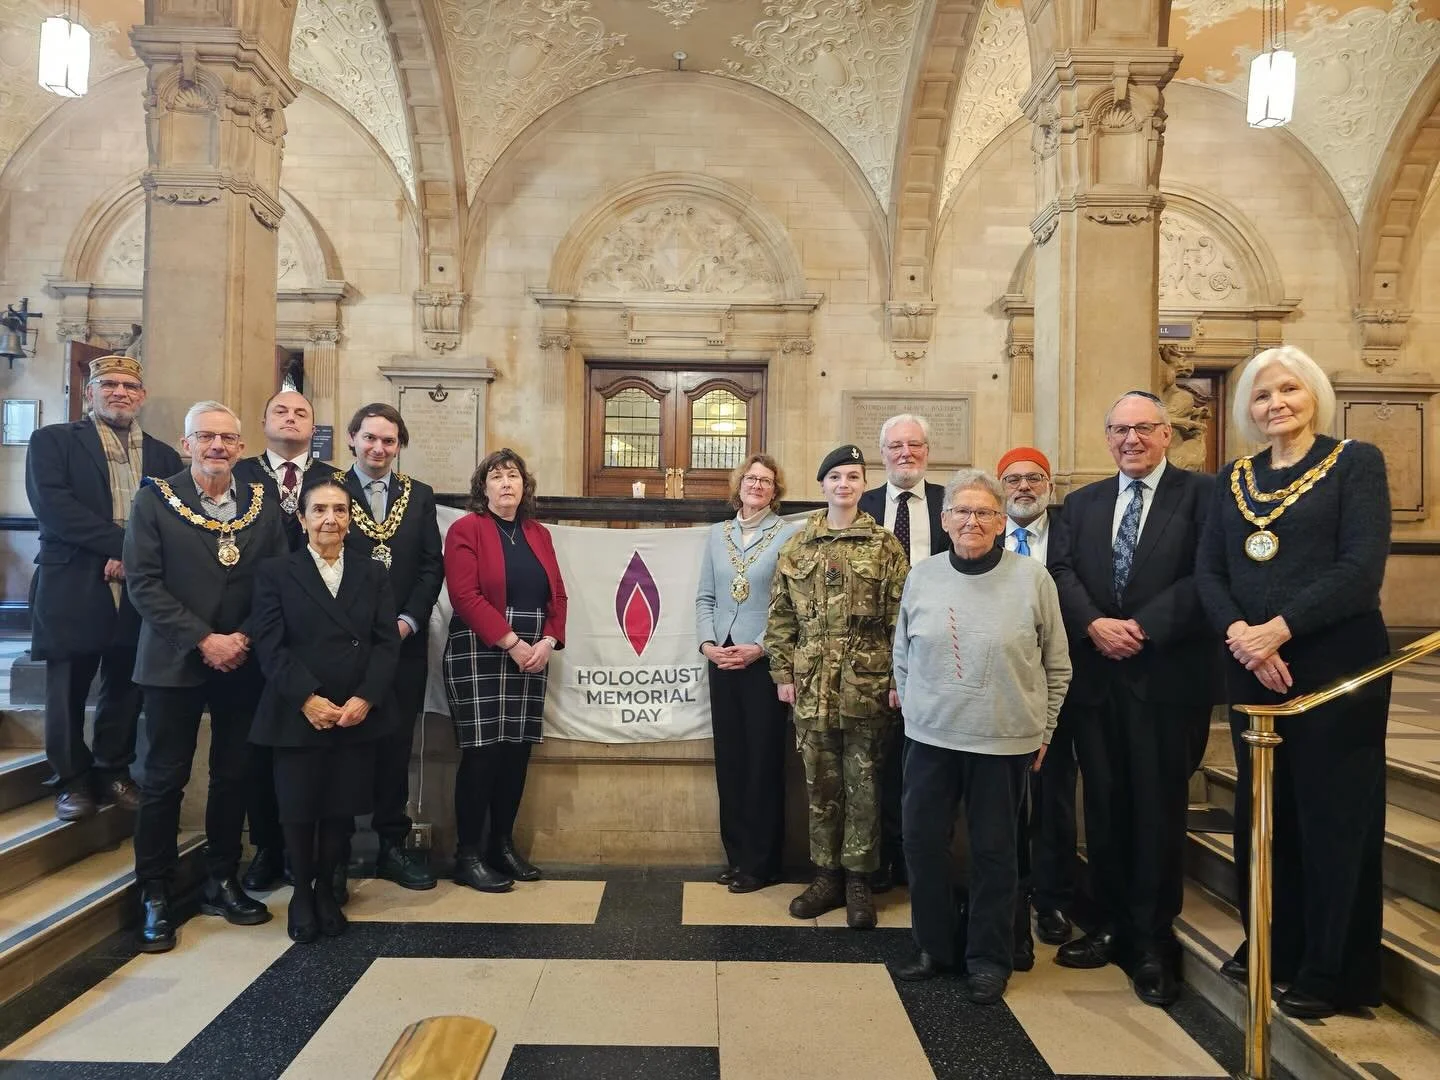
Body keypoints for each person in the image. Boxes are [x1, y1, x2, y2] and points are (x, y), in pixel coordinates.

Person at [1196, 346, 1390, 1020]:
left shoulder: (1354, 463)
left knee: (1332, 817)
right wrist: (1244, 640)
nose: (1275, 403)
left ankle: (1331, 967)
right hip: (1254, 666)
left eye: (1288, 389)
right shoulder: (1234, 477)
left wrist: (1279, 628)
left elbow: (1360, 568)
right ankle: (1273, 940)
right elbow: (1211, 573)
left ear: (1314, 394)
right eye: (1261, 394)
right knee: (1263, 814)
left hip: (1336, 667)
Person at [1050, 390, 1215, 1006]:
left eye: (1144, 429)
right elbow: (1061, 572)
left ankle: (1152, 940)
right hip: (1098, 681)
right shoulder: (1083, 503)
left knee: (1158, 807)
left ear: (1167, 434)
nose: (1131, 440)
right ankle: (1112, 924)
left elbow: (1208, 575)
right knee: (1109, 806)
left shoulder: (1202, 497)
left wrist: (1142, 627)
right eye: (1119, 430)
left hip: (1166, 680)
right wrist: (1095, 624)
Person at [890, 469, 1070, 1004]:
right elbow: (902, 653)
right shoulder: (921, 575)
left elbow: (1056, 665)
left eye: (984, 512)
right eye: (961, 512)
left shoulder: (1033, 580)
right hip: (929, 739)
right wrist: (918, 708)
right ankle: (934, 947)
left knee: (995, 854)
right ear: (944, 521)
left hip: (1004, 740)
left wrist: (1046, 728)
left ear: (1000, 521)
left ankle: (988, 957)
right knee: (922, 845)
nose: (972, 521)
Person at [123, 400, 289, 952]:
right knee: (164, 778)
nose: (218, 446)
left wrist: (240, 637)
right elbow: (144, 583)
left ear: (241, 447)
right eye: (206, 437)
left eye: (228, 438)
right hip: (174, 660)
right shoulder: (155, 499)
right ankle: (154, 891)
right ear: (185, 441)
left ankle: (222, 877)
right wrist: (203, 638)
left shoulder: (263, 504)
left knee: (234, 773)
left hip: (243, 660)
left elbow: (277, 579)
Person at [25, 354, 181, 821]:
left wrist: (133, 559)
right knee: (67, 683)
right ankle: (71, 780)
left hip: (138, 587)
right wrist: (125, 548)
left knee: (126, 681)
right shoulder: (52, 441)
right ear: (89, 392)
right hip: (74, 577)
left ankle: (113, 769)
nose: (120, 393)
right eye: (108, 384)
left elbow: (169, 518)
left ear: (142, 396)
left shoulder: (164, 455)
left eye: (129, 386)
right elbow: (55, 509)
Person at [250, 477, 400, 942]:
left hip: (353, 709)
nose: (329, 519)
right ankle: (301, 892)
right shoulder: (276, 572)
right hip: (297, 709)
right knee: (298, 806)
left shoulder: (372, 573)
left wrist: (366, 698)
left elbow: (385, 643)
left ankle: (324, 889)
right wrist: (305, 698)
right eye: (319, 510)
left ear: (352, 521)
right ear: (302, 519)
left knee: (340, 806)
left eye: (339, 510)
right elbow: (270, 645)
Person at [765, 444, 908, 929]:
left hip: (867, 687)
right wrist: (782, 674)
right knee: (820, 785)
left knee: (865, 785)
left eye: (853, 476)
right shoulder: (797, 546)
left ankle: (858, 881)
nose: (844, 484)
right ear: (822, 485)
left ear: (864, 485)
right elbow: (781, 617)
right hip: (810, 686)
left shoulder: (885, 545)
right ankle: (826, 876)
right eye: (835, 477)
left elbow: (900, 620)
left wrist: (895, 680)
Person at [443, 449, 567, 892]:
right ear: (483, 488)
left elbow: (558, 596)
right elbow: (465, 596)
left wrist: (549, 641)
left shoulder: (538, 534)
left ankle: (502, 845)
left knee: (516, 752)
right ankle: (468, 854)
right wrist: (513, 643)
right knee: (482, 753)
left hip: (534, 649)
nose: (506, 483)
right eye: (496, 477)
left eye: (513, 475)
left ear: (524, 485)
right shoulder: (465, 529)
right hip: (481, 647)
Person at [234, 390, 340, 892]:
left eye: (301, 412)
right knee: (261, 753)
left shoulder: (333, 480)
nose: (291, 418)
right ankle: (268, 849)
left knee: (319, 760)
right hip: (257, 630)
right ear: (263, 420)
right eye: (281, 410)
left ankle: (319, 862)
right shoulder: (240, 473)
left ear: (314, 425)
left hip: (319, 637)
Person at [340, 403, 444, 894]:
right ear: (352, 439)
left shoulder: (417, 496)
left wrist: (407, 620)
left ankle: (391, 845)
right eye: (370, 438)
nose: (379, 448)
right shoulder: (330, 493)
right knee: (342, 742)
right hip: (344, 643)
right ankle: (336, 848)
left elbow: (430, 566)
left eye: (389, 440)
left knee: (396, 742)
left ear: (399, 445)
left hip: (403, 643)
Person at [696, 453, 799, 893]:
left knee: (762, 763)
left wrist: (758, 647)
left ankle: (762, 862)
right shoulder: (717, 536)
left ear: (776, 491)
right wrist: (707, 646)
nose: (757, 485)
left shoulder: (788, 535)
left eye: (766, 480)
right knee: (731, 762)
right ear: (738, 485)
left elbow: (789, 605)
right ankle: (736, 856)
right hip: (721, 661)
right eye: (751, 478)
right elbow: (705, 598)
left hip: (762, 663)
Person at [858, 414, 948, 892]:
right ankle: (880, 860)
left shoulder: (948, 504)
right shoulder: (863, 505)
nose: (905, 454)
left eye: (914, 445)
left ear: (927, 451)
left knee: (922, 762)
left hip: (934, 649)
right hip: (869, 654)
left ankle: (919, 864)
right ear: (883, 453)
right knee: (878, 761)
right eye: (895, 446)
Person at [996, 447, 1078, 963]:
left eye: (1034, 479)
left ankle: (1051, 899)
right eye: (1013, 479)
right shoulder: (977, 530)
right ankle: (1010, 894)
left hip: (1056, 686)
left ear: (1048, 485)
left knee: (1053, 797)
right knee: (1000, 803)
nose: (1024, 488)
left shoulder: (1074, 535)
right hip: (998, 691)